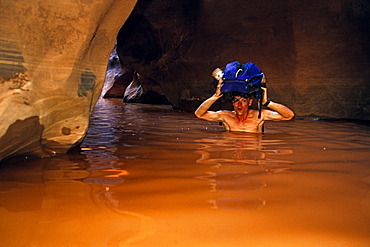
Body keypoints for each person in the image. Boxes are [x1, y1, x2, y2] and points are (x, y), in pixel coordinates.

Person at [194, 68, 295, 133]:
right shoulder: (225, 116)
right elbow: (199, 114)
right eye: (236, 101)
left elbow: (289, 115)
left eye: (243, 101)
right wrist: (215, 97)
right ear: (232, 103)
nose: (239, 105)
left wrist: (267, 103)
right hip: (233, 155)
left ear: (250, 102)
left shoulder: (259, 116)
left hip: (252, 157)